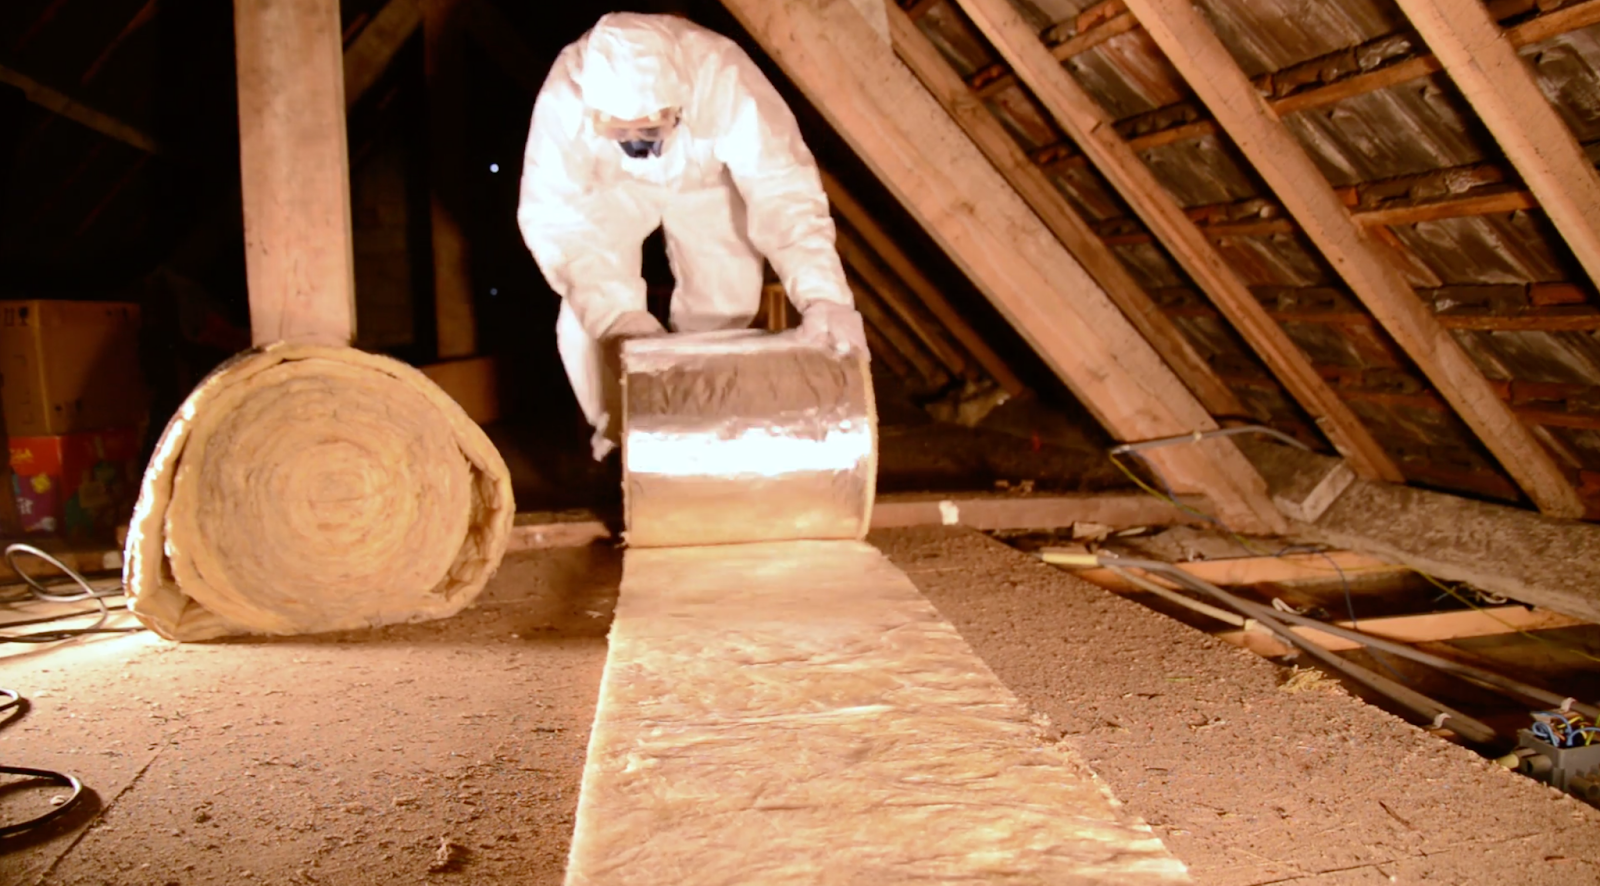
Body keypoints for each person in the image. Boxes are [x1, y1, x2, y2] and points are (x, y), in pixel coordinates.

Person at [516, 11, 869, 461]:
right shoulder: (566, 96)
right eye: (619, 131)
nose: (637, 146)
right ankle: (620, 437)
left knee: (727, 299)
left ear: (680, 101)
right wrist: (617, 321)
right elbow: (557, 217)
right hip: (612, 186)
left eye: (649, 129)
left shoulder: (721, 73)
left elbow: (782, 187)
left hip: (704, 176)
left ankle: (705, 430)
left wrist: (825, 298)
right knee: (586, 317)